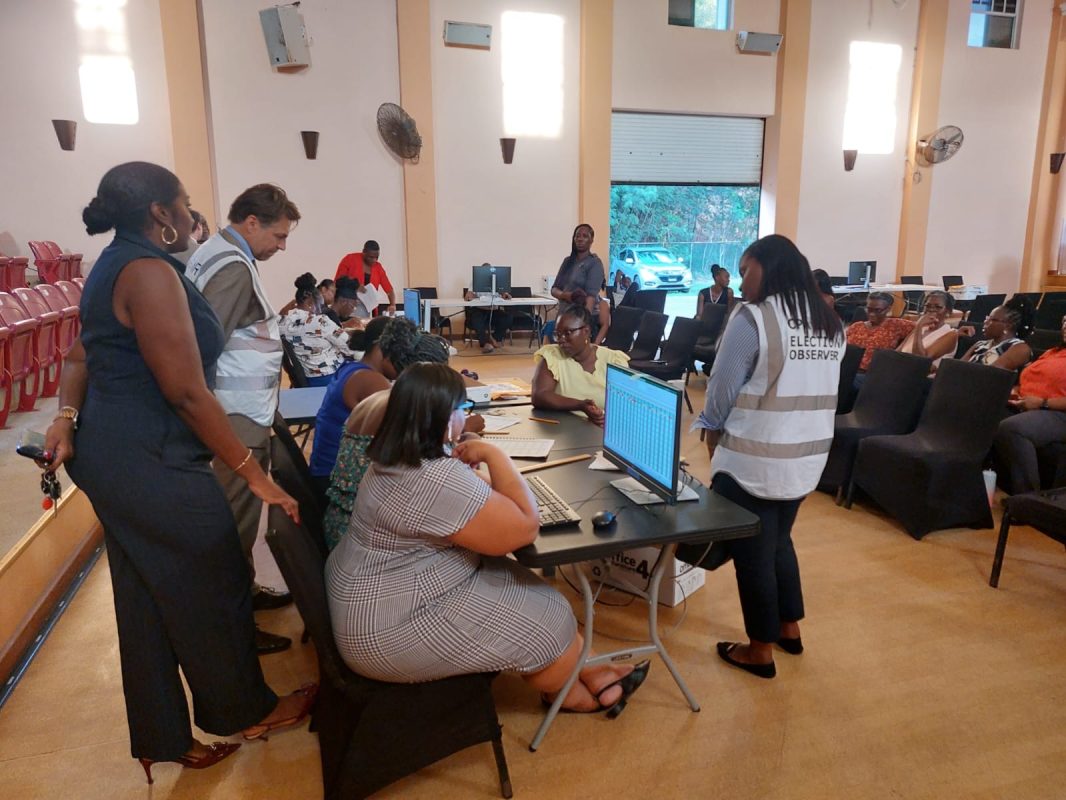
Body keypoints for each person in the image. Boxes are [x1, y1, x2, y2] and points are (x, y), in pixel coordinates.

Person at [42, 162, 315, 781]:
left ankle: (161, 736)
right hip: (149, 454)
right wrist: (252, 472)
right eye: (186, 202)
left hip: (110, 452)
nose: (194, 213)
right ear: (161, 214)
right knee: (215, 574)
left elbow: (83, 353)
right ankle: (247, 709)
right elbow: (188, 393)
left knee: (142, 595)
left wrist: (65, 416)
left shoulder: (112, 264)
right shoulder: (149, 273)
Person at [325, 363, 649, 713]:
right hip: (386, 629)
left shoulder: (394, 459)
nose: (465, 417)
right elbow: (523, 527)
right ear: (446, 419)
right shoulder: (431, 478)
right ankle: (569, 695)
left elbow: (472, 497)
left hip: (374, 597)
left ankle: (590, 669)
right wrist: (496, 455)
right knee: (550, 617)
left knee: (530, 590)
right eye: (463, 410)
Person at [686, 234, 845, 679]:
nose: (741, 283)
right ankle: (789, 629)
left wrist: (712, 428)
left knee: (753, 552)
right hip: (806, 461)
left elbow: (722, 384)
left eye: (746, 272)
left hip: (754, 460)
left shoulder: (752, 318)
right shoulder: (830, 323)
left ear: (769, 269)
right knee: (779, 542)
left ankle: (760, 650)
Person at [185, 183, 301, 653]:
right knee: (234, 523)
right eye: (278, 235)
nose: (282, 245)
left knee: (238, 518)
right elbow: (204, 347)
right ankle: (232, 629)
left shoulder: (216, 253)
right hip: (233, 418)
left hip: (235, 412)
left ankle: (243, 596)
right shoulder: (232, 268)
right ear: (251, 223)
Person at [993, 314, 1066, 495]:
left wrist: (1043, 403)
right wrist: (1017, 390)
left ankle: (1027, 497)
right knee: (984, 409)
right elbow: (1029, 376)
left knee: (1012, 428)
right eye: (1064, 321)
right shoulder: (1053, 352)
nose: (1065, 326)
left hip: (1057, 412)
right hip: (1029, 404)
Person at [531, 303, 629, 426]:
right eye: (557, 334)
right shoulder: (552, 356)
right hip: (565, 429)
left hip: (605, 430)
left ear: (586, 331)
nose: (561, 339)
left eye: (567, 333)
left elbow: (627, 405)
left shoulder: (614, 360)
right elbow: (539, 396)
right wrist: (580, 405)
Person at [279, 273, 358, 386]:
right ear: (311, 303)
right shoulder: (320, 322)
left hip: (309, 378)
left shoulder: (283, 323)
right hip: (329, 377)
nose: (321, 310)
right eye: (320, 305)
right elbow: (350, 347)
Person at [846, 291, 916, 385]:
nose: (871, 314)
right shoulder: (856, 326)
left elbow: (919, 328)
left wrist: (903, 345)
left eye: (877, 310)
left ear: (888, 309)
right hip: (851, 370)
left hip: (875, 375)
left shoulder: (896, 325)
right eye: (869, 309)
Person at [960, 295, 1034, 371]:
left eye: (992, 319)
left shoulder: (1020, 348)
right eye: (987, 318)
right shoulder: (980, 345)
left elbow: (991, 374)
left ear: (1008, 325)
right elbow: (957, 368)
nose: (985, 322)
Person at [897, 290, 959, 373]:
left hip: (925, 380)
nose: (931, 310)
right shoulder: (921, 328)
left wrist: (918, 326)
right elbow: (897, 353)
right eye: (928, 306)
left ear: (948, 312)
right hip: (902, 372)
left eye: (938, 307)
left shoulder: (951, 334)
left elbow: (921, 361)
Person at [550, 223, 604, 316]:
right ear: (574, 239)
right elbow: (554, 289)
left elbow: (590, 298)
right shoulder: (568, 261)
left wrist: (584, 323)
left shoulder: (594, 263)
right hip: (563, 315)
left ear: (591, 240)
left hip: (580, 317)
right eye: (577, 236)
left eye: (585, 236)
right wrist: (566, 295)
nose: (580, 239)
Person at [335, 239, 395, 315]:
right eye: (371, 257)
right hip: (349, 306)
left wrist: (392, 304)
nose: (374, 260)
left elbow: (389, 289)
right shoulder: (350, 259)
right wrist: (355, 286)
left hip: (368, 308)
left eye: (376, 257)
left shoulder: (378, 267)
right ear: (364, 252)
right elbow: (338, 281)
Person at [464, 268, 513, 352]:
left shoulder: (496, 280)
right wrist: (470, 295)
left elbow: (503, 293)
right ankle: (485, 343)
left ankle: (494, 338)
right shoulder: (475, 281)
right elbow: (468, 295)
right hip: (479, 310)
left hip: (493, 311)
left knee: (507, 318)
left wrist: (506, 295)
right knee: (477, 321)